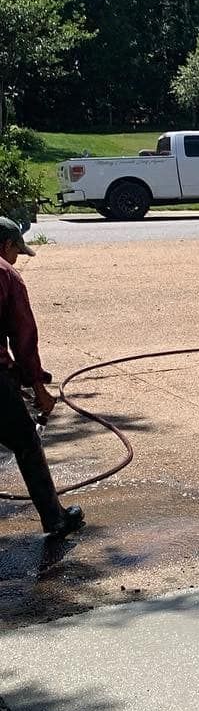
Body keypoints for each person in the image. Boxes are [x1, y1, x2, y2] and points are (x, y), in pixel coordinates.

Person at [0, 217, 83, 539]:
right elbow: (23, 338)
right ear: (7, 245)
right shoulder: (7, 275)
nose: (17, 258)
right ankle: (56, 519)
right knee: (27, 444)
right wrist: (38, 387)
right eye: (16, 251)